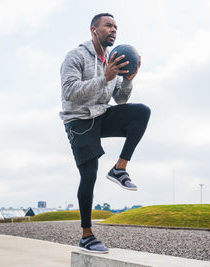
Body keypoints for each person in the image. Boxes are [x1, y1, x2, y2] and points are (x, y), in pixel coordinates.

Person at [59, 13, 151, 253]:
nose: (113, 30)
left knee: (141, 112)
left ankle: (119, 168)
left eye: (116, 27)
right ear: (94, 30)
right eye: (108, 25)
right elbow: (69, 92)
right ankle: (86, 235)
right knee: (89, 176)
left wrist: (128, 79)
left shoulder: (113, 59)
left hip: (102, 114)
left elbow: (120, 99)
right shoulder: (76, 56)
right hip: (78, 121)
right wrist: (104, 78)